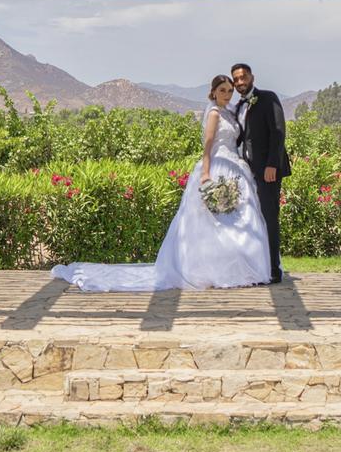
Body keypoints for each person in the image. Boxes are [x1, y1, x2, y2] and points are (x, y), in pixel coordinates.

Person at [50, 75, 272, 292]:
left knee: (236, 221)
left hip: (234, 169)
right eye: (222, 90)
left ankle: (237, 270)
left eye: (229, 91)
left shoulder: (229, 113)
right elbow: (208, 145)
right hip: (215, 167)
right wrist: (205, 173)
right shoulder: (214, 113)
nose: (226, 94)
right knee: (212, 223)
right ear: (213, 92)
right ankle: (214, 271)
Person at [229, 61, 290, 283]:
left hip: (267, 171)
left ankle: (274, 269)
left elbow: (278, 132)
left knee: (269, 217)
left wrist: (272, 165)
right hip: (246, 171)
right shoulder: (237, 107)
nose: (239, 82)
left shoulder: (268, 98)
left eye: (243, 77)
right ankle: (256, 266)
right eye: (236, 79)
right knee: (251, 219)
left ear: (252, 77)